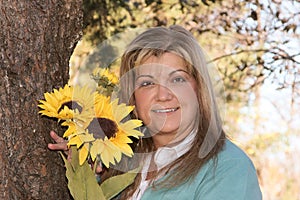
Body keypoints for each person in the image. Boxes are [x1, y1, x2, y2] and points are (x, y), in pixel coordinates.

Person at [48, 25, 262, 199]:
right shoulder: (120, 167)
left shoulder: (228, 168)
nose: (163, 95)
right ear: (132, 98)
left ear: (199, 89)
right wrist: (82, 170)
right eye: (147, 83)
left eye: (177, 79)